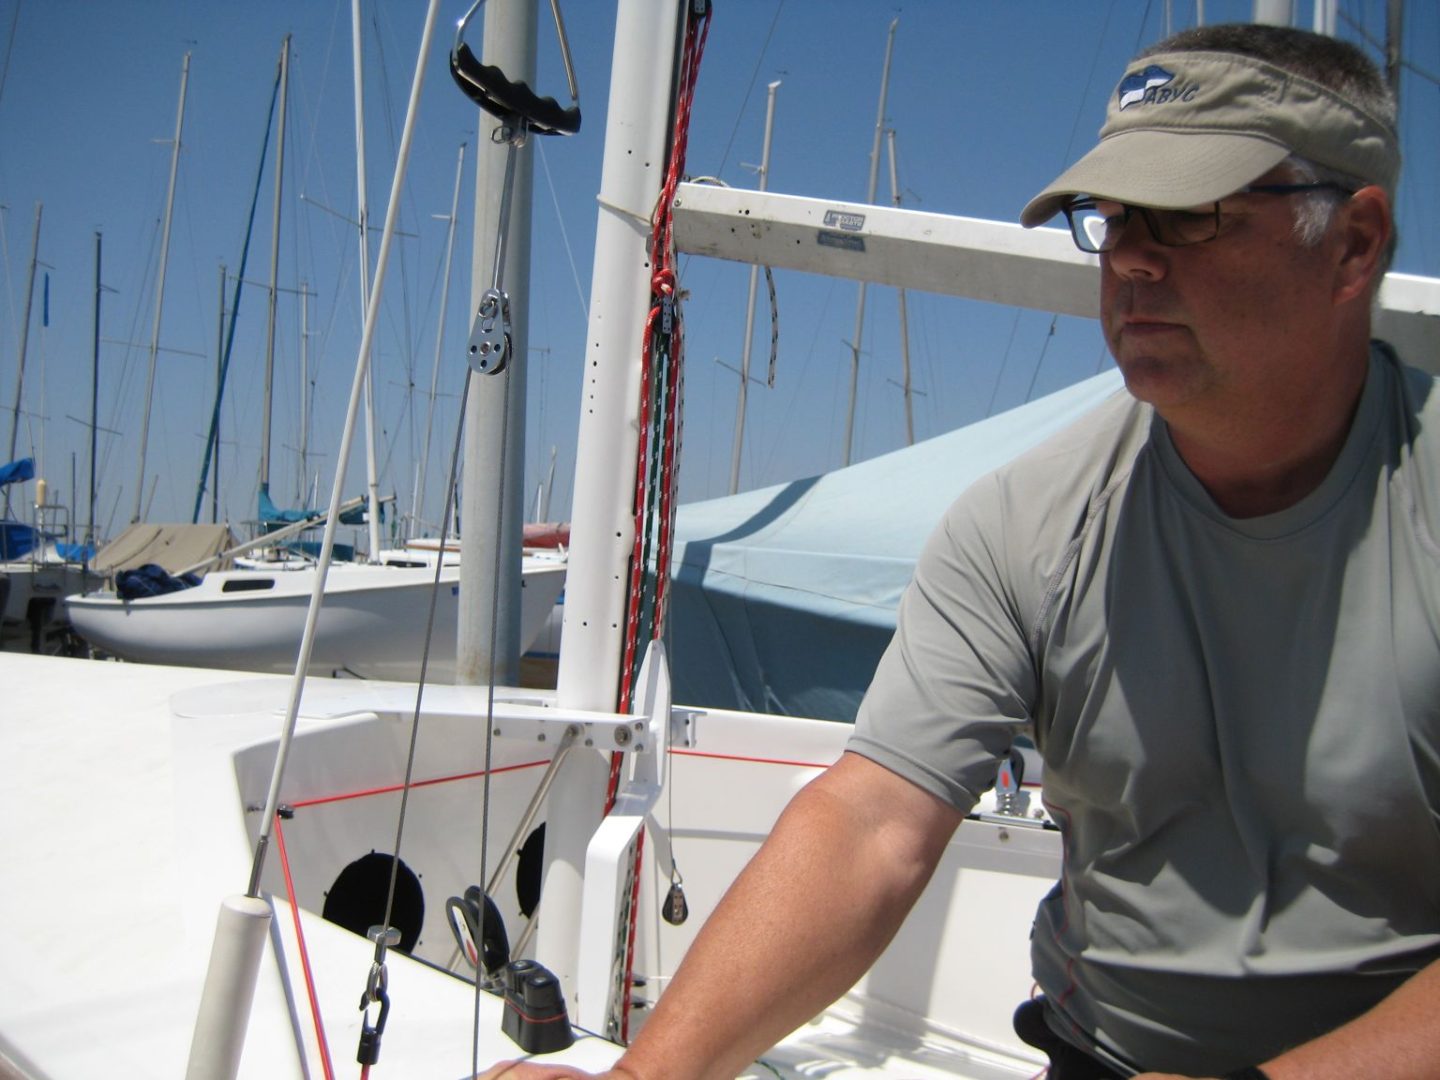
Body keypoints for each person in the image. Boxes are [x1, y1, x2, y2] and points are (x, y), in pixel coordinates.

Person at [480, 21, 1439, 1080]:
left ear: (1353, 243)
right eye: (1113, 220)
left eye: (1191, 216)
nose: (1129, 260)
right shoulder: (1026, 524)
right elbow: (873, 821)